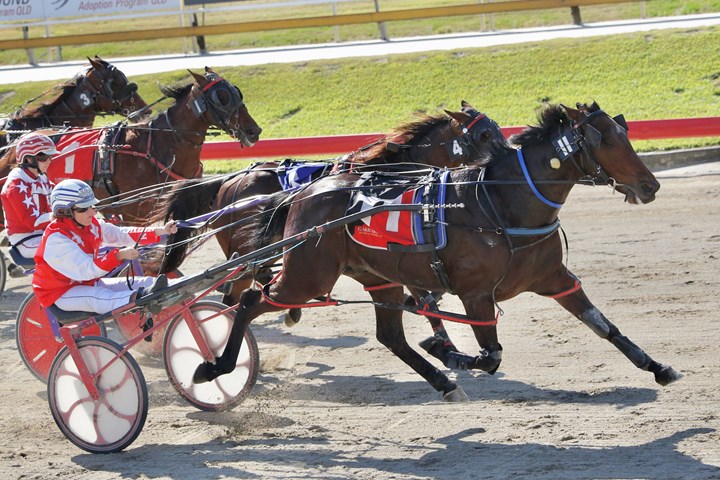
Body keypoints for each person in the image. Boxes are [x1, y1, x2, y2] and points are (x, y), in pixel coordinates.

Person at [32, 178, 178, 314]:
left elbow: (122, 235)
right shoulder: (57, 239)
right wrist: (119, 255)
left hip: (88, 284)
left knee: (146, 282)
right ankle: (144, 298)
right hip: (60, 292)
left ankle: (177, 287)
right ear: (65, 212)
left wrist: (161, 231)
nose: (92, 212)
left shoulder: (91, 225)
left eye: (91, 206)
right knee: (101, 297)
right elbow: (88, 270)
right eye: (83, 208)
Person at [1, 132, 58, 277]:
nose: (49, 160)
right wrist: (62, 215)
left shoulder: (41, 177)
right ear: (28, 159)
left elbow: (59, 194)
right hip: (25, 241)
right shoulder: (15, 185)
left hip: (42, 234)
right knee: (68, 245)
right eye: (44, 157)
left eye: (50, 156)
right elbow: (32, 222)